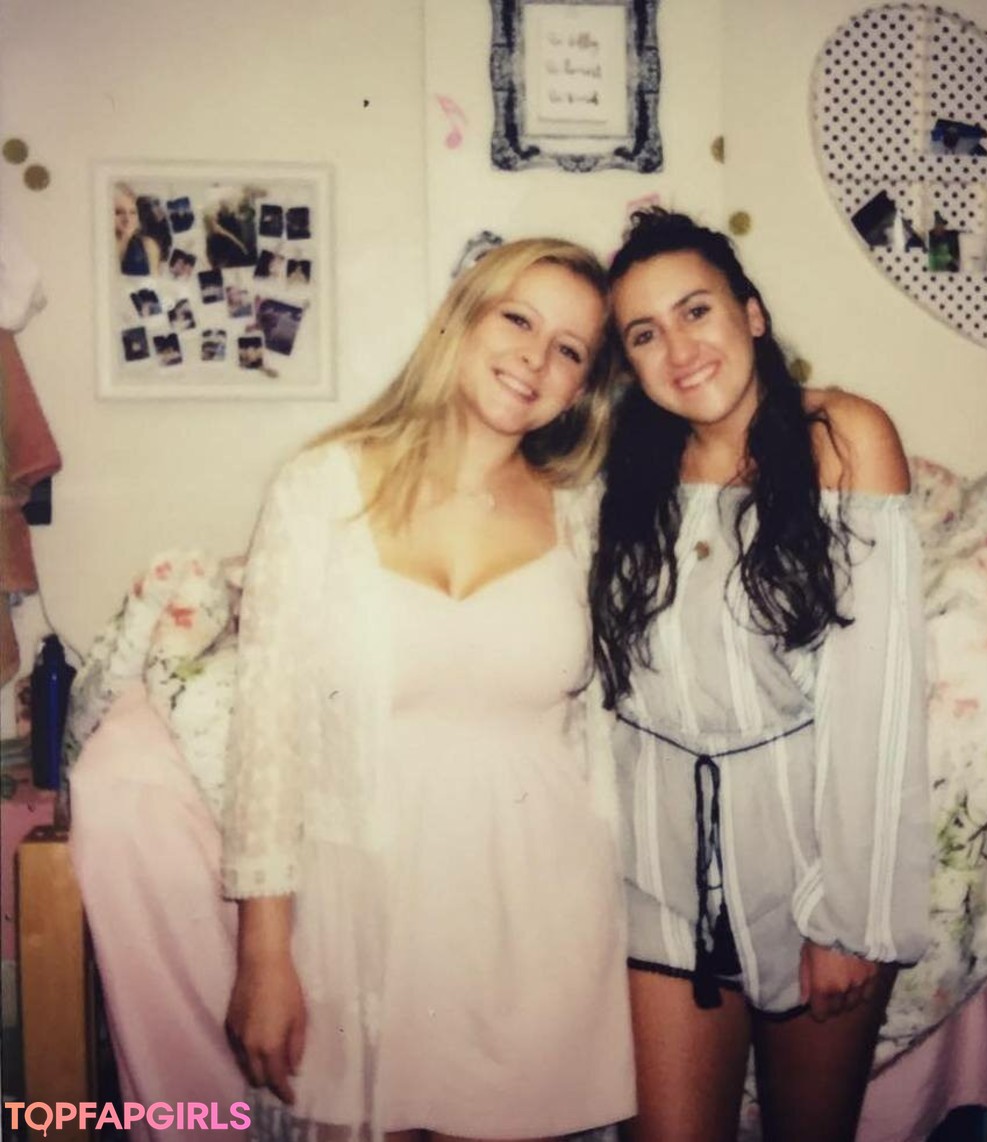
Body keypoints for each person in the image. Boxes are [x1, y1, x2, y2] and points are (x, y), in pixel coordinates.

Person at [222, 237, 636, 1142]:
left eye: (569, 349)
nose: (535, 357)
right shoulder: (319, 487)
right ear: (462, 318)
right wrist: (263, 949)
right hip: (364, 914)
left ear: (582, 387)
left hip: (542, 920)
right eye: (518, 319)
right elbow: (267, 728)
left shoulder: (586, 516)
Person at [588, 209, 930, 1142]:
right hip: (658, 876)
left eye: (696, 311)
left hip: (808, 870)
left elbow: (879, 701)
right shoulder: (625, 472)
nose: (679, 350)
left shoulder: (842, 436)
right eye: (644, 334)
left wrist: (849, 921)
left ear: (752, 313)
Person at [114, 182, 161, 276]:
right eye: (119, 212)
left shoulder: (148, 246)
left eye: (132, 212)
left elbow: (155, 282)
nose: (127, 219)